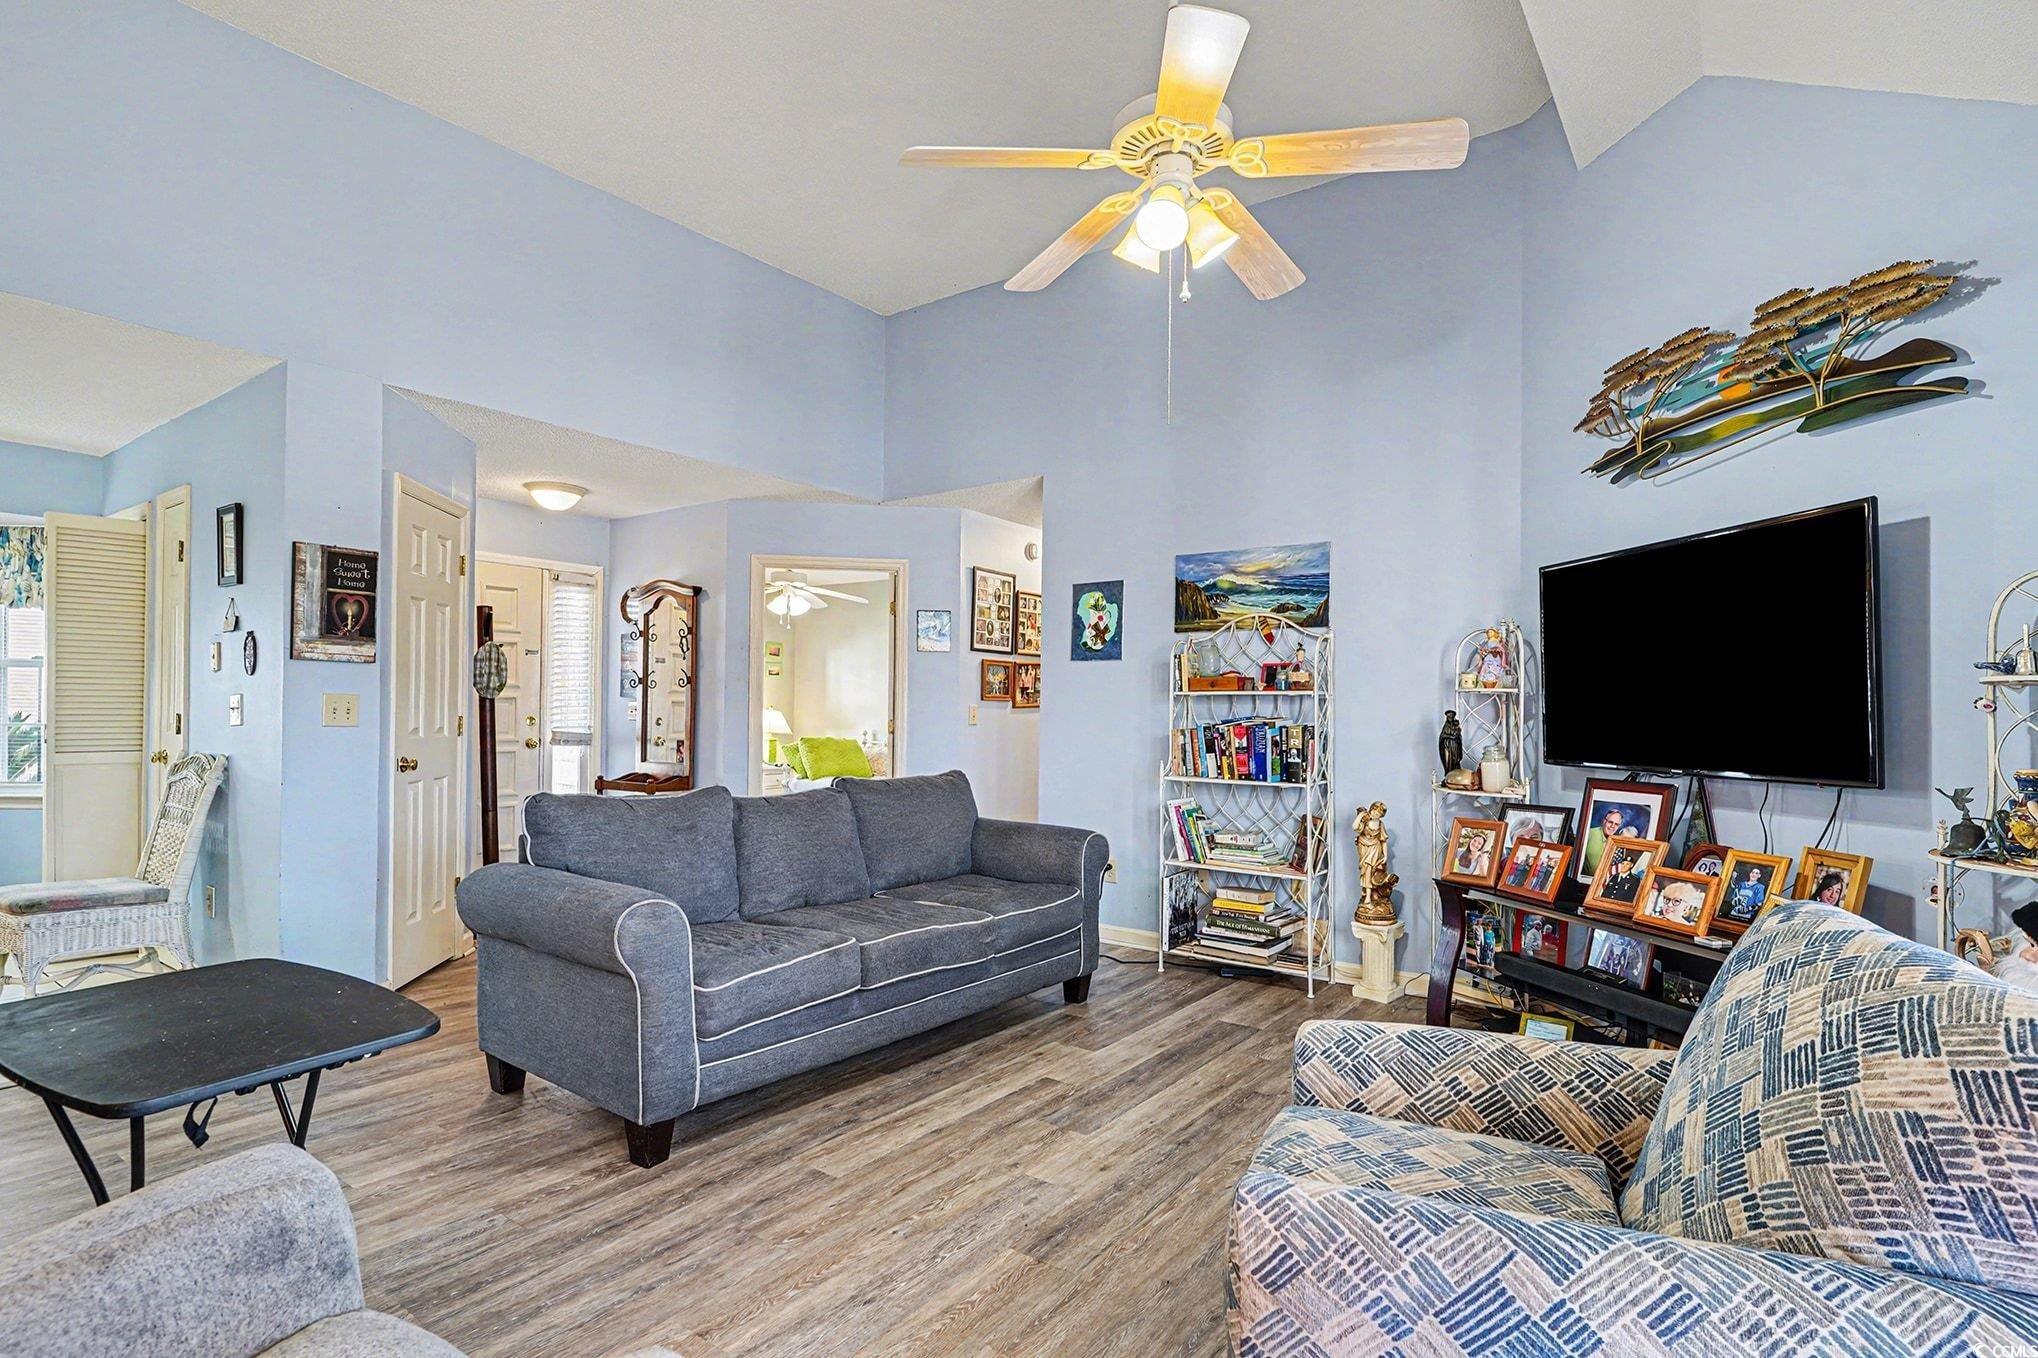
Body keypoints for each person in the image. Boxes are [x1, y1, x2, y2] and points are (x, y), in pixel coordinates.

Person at [1582, 804, 1641, 876]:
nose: (1612, 826)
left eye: (1616, 824)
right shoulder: (1589, 833)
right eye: (1610, 822)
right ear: (1604, 821)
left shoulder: (1616, 844)